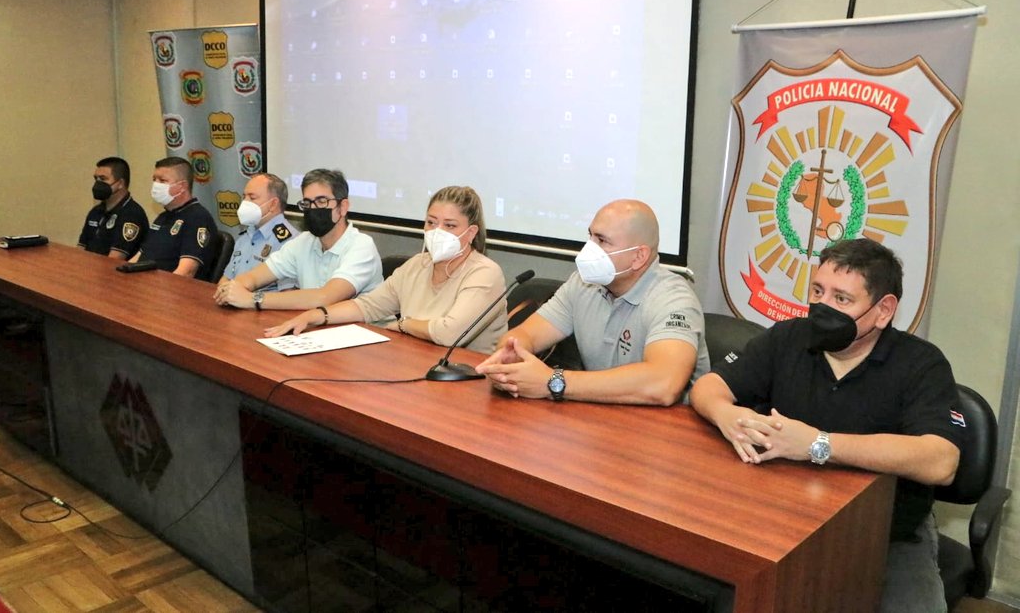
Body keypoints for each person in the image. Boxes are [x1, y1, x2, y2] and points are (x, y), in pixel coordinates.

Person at [688, 238, 962, 613]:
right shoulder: (788, 338)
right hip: (780, 513)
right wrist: (727, 415)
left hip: (885, 532)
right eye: (818, 291)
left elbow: (941, 461)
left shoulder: (922, 364)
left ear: (883, 310)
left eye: (842, 299)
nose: (822, 307)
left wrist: (818, 444)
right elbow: (708, 387)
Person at [476, 199, 709, 405]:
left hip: (665, 437)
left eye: (602, 240)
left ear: (639, 257)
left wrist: (553, 382)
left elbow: (663, 384)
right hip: (601, 421)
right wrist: (510, 359)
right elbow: (526, 335)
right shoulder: (583, 285)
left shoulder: (674, 299)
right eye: (590, 236)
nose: (589, 249)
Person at [264, 185, 508, 354]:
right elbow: (368, 306)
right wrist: (316, 315)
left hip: (468, 381)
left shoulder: (485, 273)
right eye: (431, 222)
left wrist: (404, 325)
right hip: (416, 366)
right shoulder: (417, 265)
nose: (437, 231)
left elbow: (449, 334)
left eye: (450, 225)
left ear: (472, 232)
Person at [214, 168, 382, 311]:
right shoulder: (303, 242)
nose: (313, 209)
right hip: (320, 331)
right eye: (307, 203)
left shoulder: (361, 245)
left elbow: (325, 298)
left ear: (343, 207)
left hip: (369, 336)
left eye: (321, 201)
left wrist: (254, 299)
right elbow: (254, 277)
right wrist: (234, 289)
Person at [131, 156, 217, 277]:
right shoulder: (162, 217)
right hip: (145, 284)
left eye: (162, 180)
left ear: (181, 187)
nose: (156, 185)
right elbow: (139, 257)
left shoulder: (198, 218)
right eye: (154, 179)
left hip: (172, 290)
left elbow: (186, 272)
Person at [220, 173, 299, 291]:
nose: (245, 203)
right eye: (244, 197)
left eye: (252, 198)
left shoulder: (290, 242)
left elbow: (288, 295)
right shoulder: (245, 236)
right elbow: (226, 279)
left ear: (273, 204)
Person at [77, 156, 148, 259]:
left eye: (103, 179)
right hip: (90, 270)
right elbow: (80, 249)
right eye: (96, 179)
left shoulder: (132, 214)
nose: (97, 183)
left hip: (116, 273)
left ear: (120, 184)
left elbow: (115, 259)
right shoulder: (95, 212)